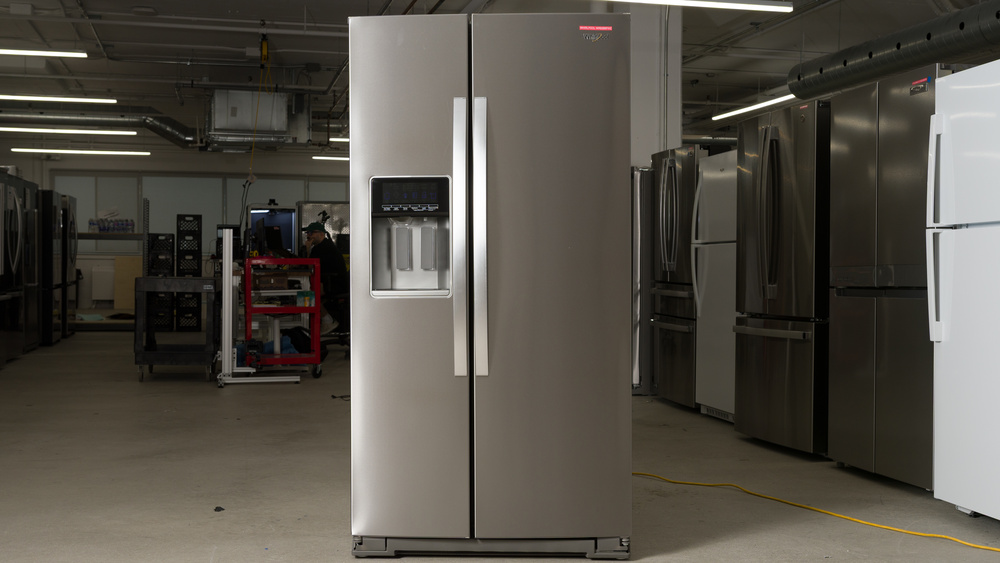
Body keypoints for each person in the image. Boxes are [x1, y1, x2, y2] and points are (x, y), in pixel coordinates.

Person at [300, 222, 348, 335]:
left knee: (306, 295)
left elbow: (310, 267)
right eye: (307, 233)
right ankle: (318, 323)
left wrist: (307, 249)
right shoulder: (322, 246)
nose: (308, 235)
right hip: (330, 282)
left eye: (311, 233)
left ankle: (327, 321)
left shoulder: (322, 248)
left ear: (321, 234)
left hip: (334, 284)